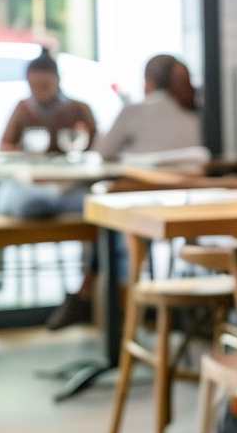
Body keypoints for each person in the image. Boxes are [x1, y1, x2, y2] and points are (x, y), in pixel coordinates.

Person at [46, 55, 204, 329]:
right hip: (188, 210)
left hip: (140, 211)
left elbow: (102, 153)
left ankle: (99, 301)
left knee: (103, 214)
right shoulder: (197, 112)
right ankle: (100, 298)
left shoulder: (135, 110)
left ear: (149, 82)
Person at [0, 50, 99, 217]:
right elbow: (5, 146)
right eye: (34, 86)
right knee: (17, 198)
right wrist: (27, 156)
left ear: (57, 80)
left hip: (70, 184)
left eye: (45, 85)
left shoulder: (78, 109)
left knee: (93, 201)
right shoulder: (23, 108)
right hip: (32, 184)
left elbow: (98, 146)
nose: (40, 91)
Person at [93, 54, 201, 160]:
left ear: (149, 81)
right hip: (193, 178)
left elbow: (103, 152)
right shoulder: (199, 114)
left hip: (143, 177)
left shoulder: (133, 111)